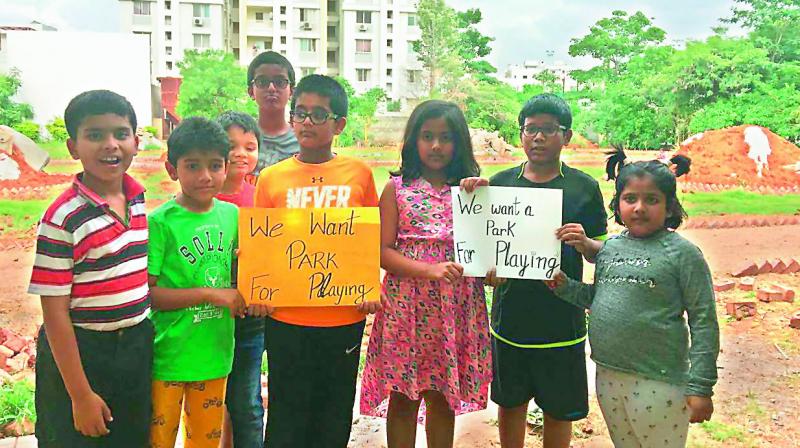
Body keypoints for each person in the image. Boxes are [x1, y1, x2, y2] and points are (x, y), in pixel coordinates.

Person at [461, 93, 608, 448]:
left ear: (566, 136)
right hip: (510, 321)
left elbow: (602, 255)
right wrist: (487, 271)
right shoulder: (497, 185)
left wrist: (587, 243)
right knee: (510, 403)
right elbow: (480, 252)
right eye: (531, 130)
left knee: (559, 409)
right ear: (520, 134)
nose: (538, 137)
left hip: (563, 322)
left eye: (548, 130)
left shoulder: (583, 188)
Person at [546, 160, 719, 447]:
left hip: (659, 381)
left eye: (651, 199)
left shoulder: (683, 254)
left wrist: (701, 387)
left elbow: (704, 320)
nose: (639, 207)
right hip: (608, 375)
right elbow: (601, 298)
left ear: (670, 206)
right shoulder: (611, 248)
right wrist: (566, 288)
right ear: (618, 204)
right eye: (630, 198)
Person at [253, 74, 381, 447]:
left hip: (343, 316)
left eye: (318, 114)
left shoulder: (358, 174)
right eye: (301, 113)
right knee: (287, 412)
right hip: (286, 317)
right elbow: (264, 244)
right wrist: (259, 286)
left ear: (339, 124)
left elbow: (365, 241)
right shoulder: (272, 179)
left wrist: (368, 286)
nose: (307, 121)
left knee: (334, 410)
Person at [360, 100, 492, 448]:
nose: (436, 145)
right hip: (407, 309)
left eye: (446, 137)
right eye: (427, 136)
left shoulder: (472, 191)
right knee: (403, 396)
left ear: (459, 142)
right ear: (413, 141)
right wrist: (429, 270)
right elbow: (382, 251)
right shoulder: (396, 189)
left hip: (456, 307)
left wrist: (484, 196)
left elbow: (490, 243)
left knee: (442, 396)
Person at [29, 90, 153, 447]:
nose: (110, 144)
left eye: (120, 133)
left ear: (136, 141)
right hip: (81, 354)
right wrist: (80, 396)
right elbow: (54, 314)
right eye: (95, 135)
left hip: (134, 348)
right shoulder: (62, 217)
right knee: (75, 438)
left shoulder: (139, 200)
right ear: (73, 147)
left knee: (130, 438)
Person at [147, 117, 245, 448]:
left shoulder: (232, 216)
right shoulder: (161, 222)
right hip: (169, 355)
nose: (205, 176)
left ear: (226, 166)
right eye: (192, 166)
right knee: (158, 439)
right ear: (172, 169)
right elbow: (150, 295)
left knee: (204, 441)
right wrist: (209, 294)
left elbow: (241, 276)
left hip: (214, 354)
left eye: (215, 165)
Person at [213, 111, 267, 448]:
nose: (241, 154)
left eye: (250, 146)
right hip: (205, 318)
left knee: (246, 402)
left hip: (250, 318)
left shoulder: (262, 194)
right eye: (232, 146)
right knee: (211, 400)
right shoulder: (203, 196)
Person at [247, 51, 300, 180]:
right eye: (262, 81)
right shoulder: (239, 138)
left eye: (280, 82)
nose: (271, 88)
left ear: (292, 91)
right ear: (251, 91)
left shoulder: (303, 141)